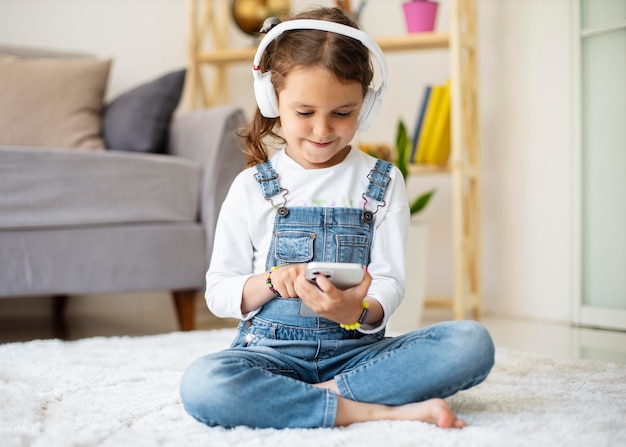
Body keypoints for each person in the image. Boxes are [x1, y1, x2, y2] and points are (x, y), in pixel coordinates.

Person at [180, 6, 494, 430]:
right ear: (272, 100)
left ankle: (308, 401)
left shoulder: (383, 181)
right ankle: (370, 409)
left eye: (342, 113)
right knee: (204, 384)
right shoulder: (251, 186)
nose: (322, 130)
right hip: (270, 355)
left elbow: (389, 281)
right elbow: (219, 293)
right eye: (304, 113)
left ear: (364, 106)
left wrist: (358, 310)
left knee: (471, 344)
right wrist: (272, 281)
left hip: (358, 354)